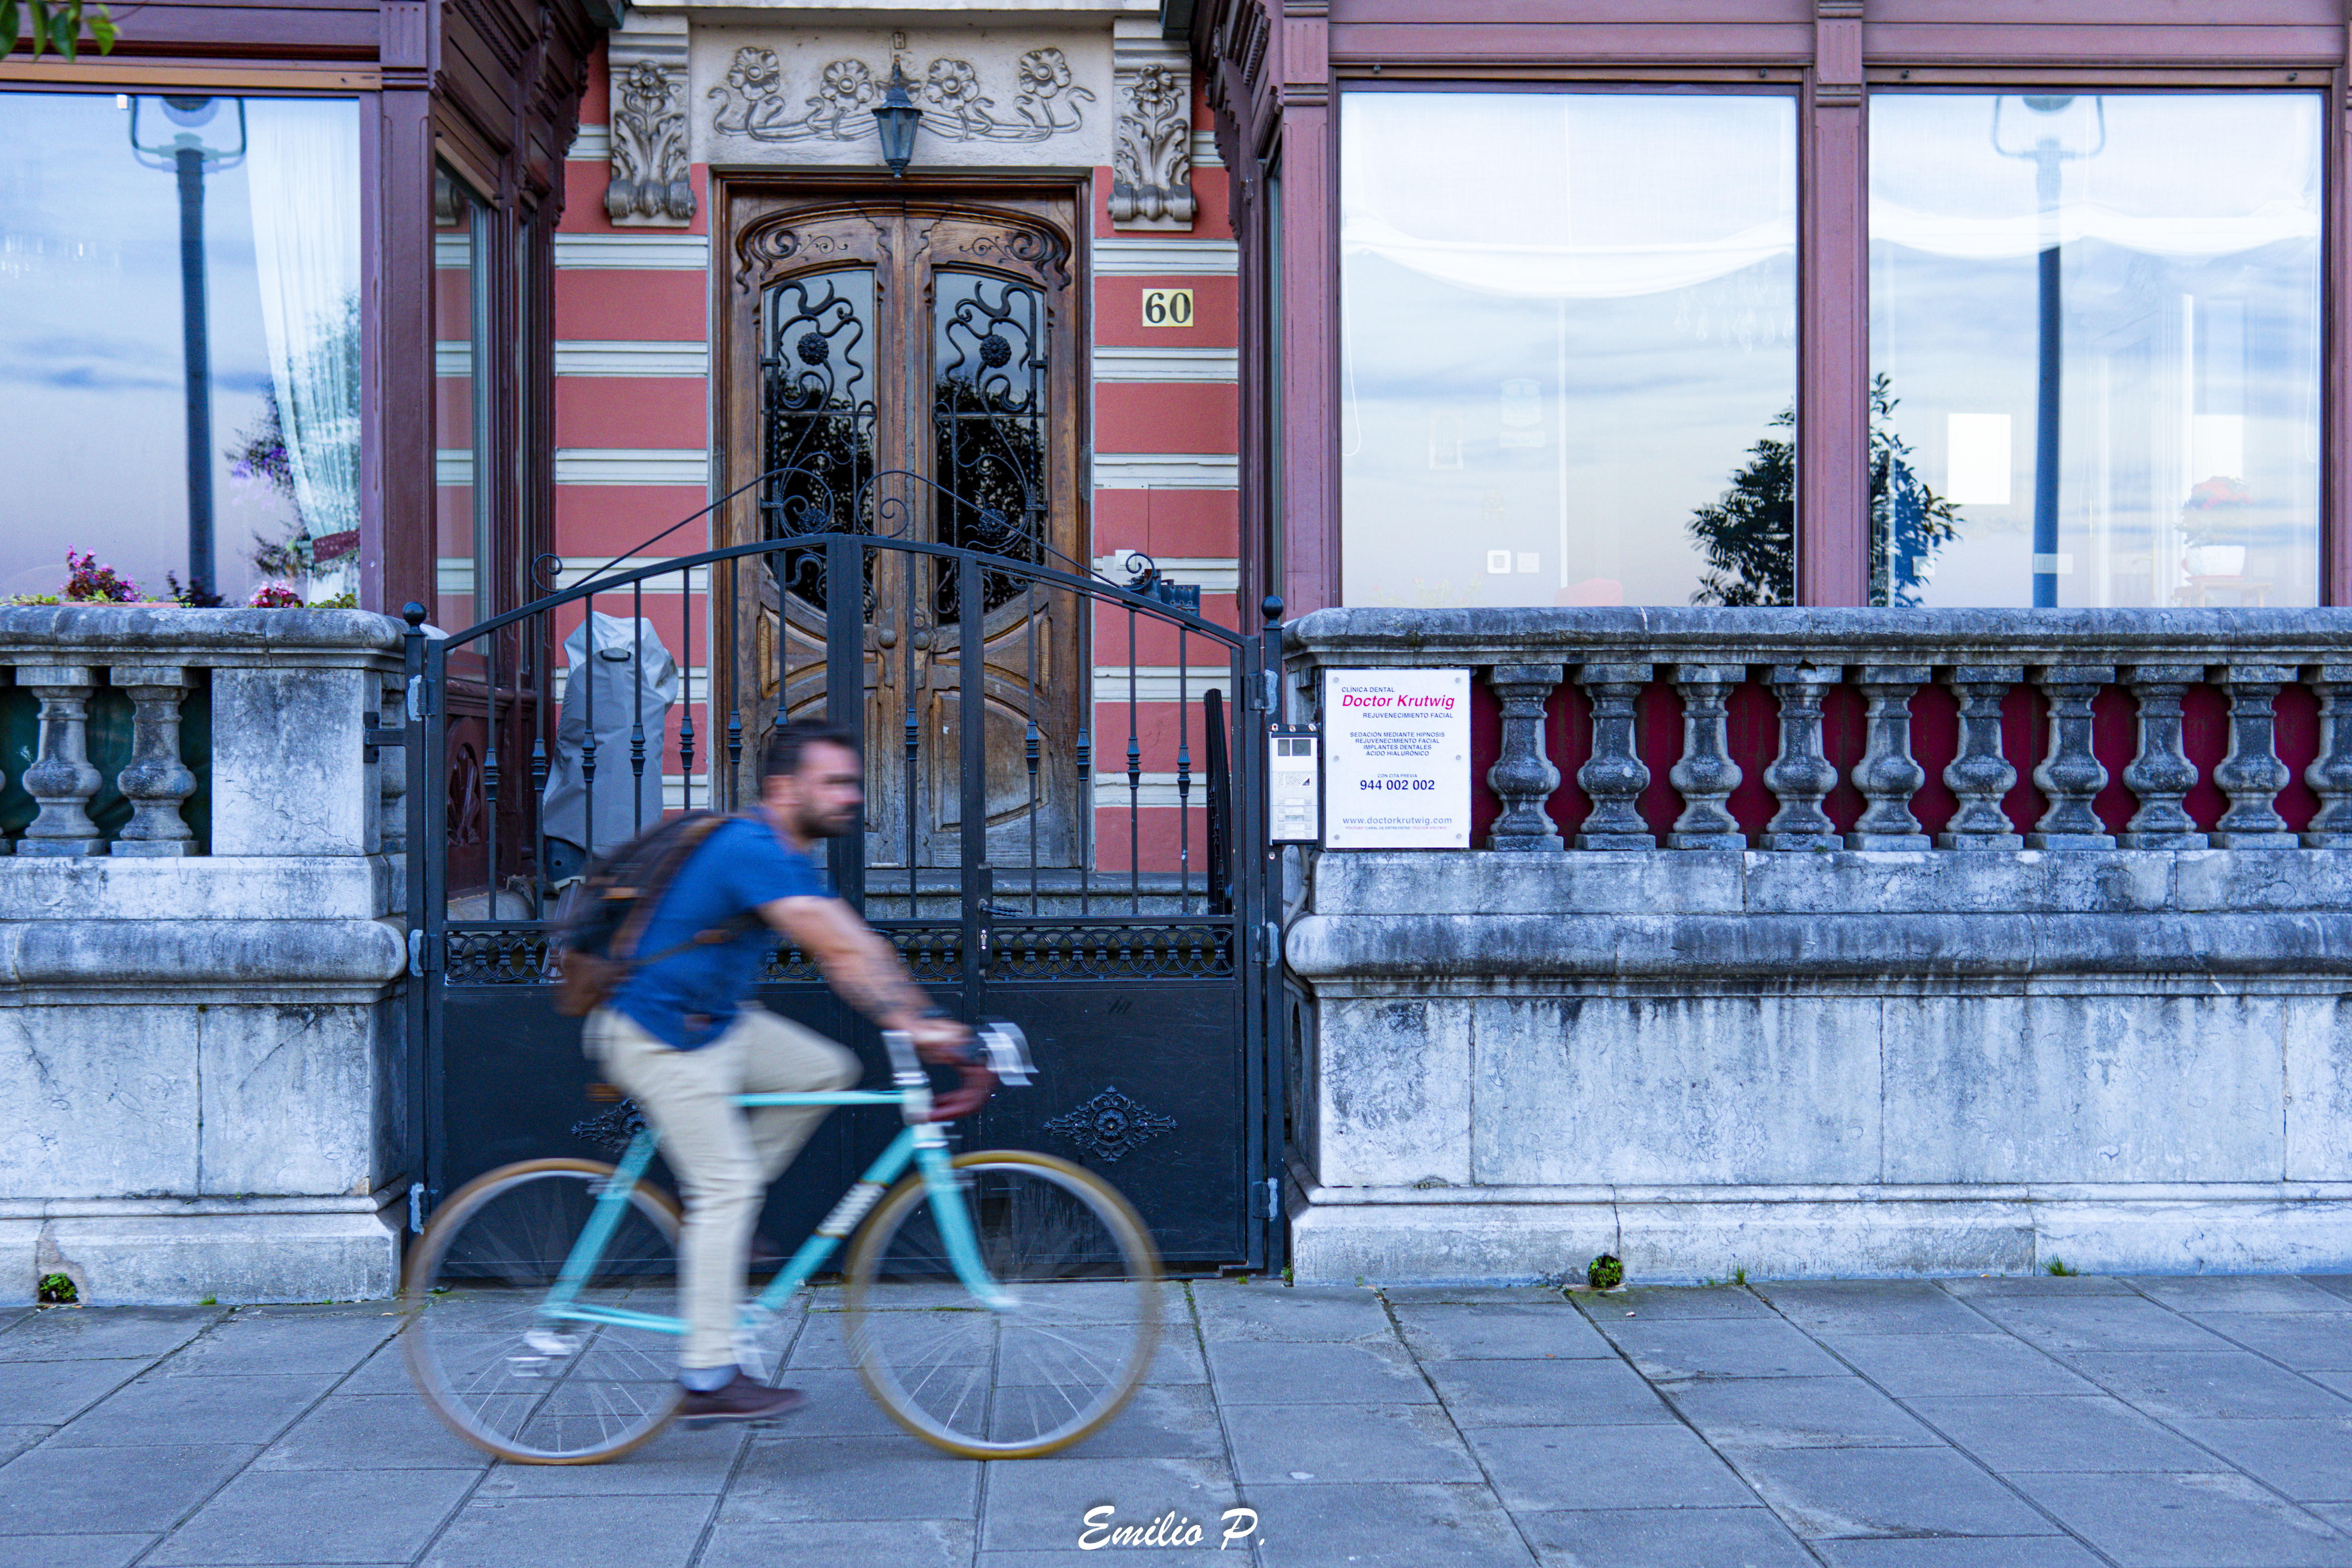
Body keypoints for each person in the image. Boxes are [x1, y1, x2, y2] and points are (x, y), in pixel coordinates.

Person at [584, 719, 975, 1424]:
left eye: (852, 783)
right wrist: (922, 1026)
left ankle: (715, 1219)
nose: (851, 796)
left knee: (825, 1068)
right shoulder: (750, 848)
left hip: (713, 1024)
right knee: (727, 1186)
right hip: (656, 1035)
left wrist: (917, 1015)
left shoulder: (785, 855)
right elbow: (839, 946)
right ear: (783, 788)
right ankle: (708, 1376)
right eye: (834, 783)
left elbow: (853, 947)